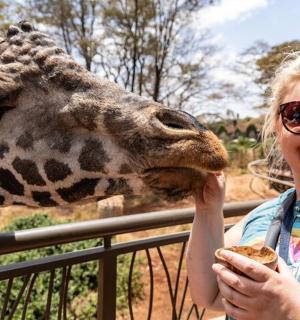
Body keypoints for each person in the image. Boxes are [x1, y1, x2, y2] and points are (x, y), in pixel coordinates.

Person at [186, 53, 300, 320]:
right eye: (297, 113)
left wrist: (290, 310)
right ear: (277, 126)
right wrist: (208, 209)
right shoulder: (266, 216)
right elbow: (210, 294)